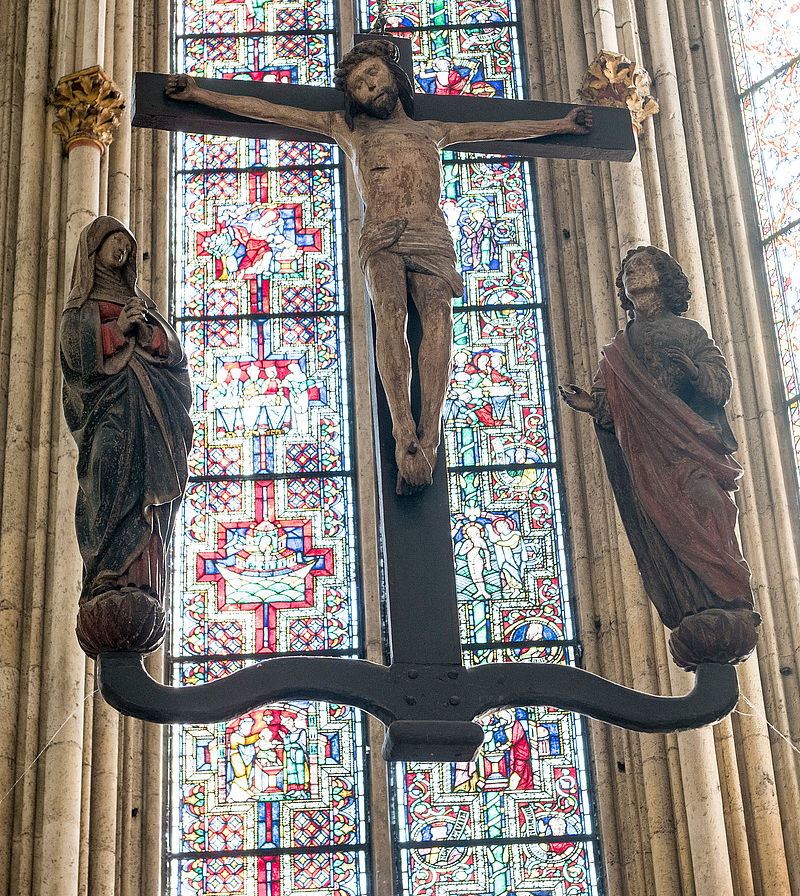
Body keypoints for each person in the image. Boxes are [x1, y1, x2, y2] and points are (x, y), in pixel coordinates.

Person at [167, 37, 590, 492]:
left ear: (394, 74)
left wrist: (563, 123)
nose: (371, 88)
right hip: (383, 235)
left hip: (431, 234)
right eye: (361, 86)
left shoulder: (432, 130)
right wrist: (197, 94)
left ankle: (432, 431)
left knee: (441, 321)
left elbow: (500, 128)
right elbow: (268, 109)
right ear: (354, 100)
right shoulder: (349, 131)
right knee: (390, 318)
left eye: (374, 76)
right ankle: (401, 429)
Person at [559, 245, 755, 635]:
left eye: (641, 266)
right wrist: (590, 404)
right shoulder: (617, 350)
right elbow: (610, 407)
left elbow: (719, 385)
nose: (632, 273)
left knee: (710, 504)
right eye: (627, 270)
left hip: (688, 445)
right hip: (646, 458)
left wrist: (696, 371)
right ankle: (689, 599)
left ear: (664, 279)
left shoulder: (688, 331)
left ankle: (729, 590)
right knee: (663, 531)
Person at [61, 216, 193, 613]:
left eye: (127, 247)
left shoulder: (142, 303)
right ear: (94, 249)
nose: (121, 251)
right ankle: (105, 573)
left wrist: (150, 335)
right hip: (109, 409)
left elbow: (174, 354)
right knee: (106, 466)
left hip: (152, 410)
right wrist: (117, 328)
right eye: (115, 243)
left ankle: (143, 578)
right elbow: (77, 355)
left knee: (147, 494)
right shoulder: (80, 308)